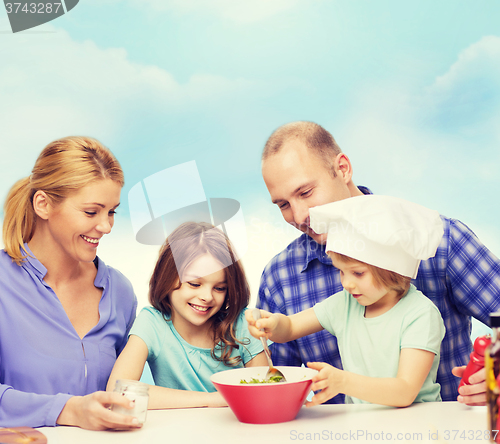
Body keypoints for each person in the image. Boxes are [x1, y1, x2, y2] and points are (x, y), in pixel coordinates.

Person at [257, 121, 500, 405]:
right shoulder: (280, 276)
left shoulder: (440, 241)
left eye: (305, 192)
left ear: (343, 169)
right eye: (283, 205)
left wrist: (496, 375)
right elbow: (273, 382)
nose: (298, 217)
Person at [249, 195, 446, 406]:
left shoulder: (420, 314)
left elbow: (404, 392)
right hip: (361, 428)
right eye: (341, 272)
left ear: (392, 269)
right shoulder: (345, 304)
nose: (347, 283)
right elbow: (289, 328)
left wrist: (343, 382)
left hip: (416, 428)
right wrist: (271, 324)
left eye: (358, 273)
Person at [0, 136, 138, 430]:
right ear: (43, 204)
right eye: (91, 212)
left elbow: (126, 389)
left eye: (111, 212)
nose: (106, 226)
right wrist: (68, 410)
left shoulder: (120, 292)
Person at [107, 222, 267, 408]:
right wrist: (212, 400)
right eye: (194, 284)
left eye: (219, 288)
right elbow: (117, 392)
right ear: (166, 276)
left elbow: (266, 393)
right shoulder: (152, 323)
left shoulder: (243, 324)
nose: (207, 297)